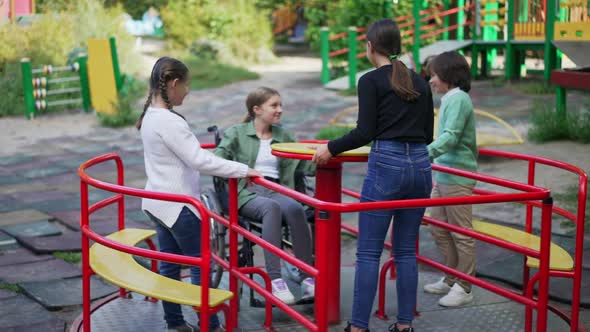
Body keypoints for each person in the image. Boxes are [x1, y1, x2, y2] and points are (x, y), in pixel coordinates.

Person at [313, 19, 434, 332]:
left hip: (387, 166)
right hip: (421, 165)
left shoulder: (370, 81)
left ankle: (357, 327)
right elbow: (429, 135)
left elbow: (364, 131)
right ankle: (405, 326)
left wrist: (331, 148)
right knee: (406, 250)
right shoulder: (420, 82)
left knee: (368, 251)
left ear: (369, 47)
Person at [137, 56, 261, 332]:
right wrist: (243, 169)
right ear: (174, 84)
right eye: (186, 85)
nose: (188, 91)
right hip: (179, 206)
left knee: (170, 265)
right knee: (200, 264)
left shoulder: (149, 116)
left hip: (158, 203)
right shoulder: (169, 121)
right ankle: (211, 324)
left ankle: (176, 323)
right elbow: (200, 161)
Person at [214, 87, 316, 305]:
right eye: (274, 105)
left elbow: (304, 165)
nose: (280, 110)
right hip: (245, 190)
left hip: (277, 189)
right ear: (257, 109)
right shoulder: (237, 133)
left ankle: (307, 279)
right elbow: (218, 159)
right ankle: (276, 280)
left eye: (281, 105)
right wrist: (240, 169)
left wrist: (327, 160)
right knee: (272, 208)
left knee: (296, 208)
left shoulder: (284, 135)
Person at [423, 51, 478, 307]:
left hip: (457, 174)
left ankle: (464, 286)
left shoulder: (458, 99)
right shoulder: (449, 98)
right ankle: (452, 276)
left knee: (461, 232)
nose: (431, 80)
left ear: (448, 75)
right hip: (444, 172)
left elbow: (452, 135)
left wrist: (425, 153)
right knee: (438, 226)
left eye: (434, 74)